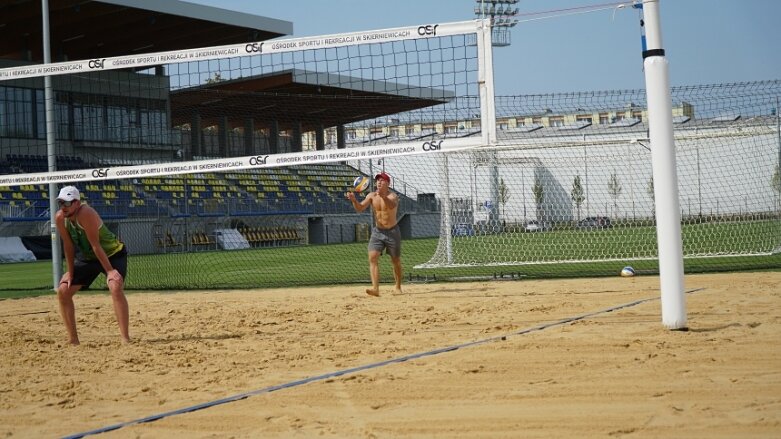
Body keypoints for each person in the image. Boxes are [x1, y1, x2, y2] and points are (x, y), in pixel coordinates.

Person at [54, 186, 130, 345]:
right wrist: (70, 272)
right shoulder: (60, 218)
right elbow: (68, 246)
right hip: (88, 257)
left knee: (115, 286)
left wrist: (110, 271)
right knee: (63, 291)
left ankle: (125, 338)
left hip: (112, 254)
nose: (63, 206)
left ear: (76, 203)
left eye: (67, 203)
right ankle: (73, 339)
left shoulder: (86, 213)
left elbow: (96, 245)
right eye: (61, 202)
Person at [346, 172, 402, 296]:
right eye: (378, 180)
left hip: (393, 231)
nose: (379, 182)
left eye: (382, 181)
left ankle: (398, 286)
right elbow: (360, 208)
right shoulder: (371, 195)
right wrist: (354, 200)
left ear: (388, 183)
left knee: (395, 260)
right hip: (378, 231)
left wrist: (383, 197)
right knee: (373, 257)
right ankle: (375, 288)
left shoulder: (393, 196)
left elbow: (392, 205)